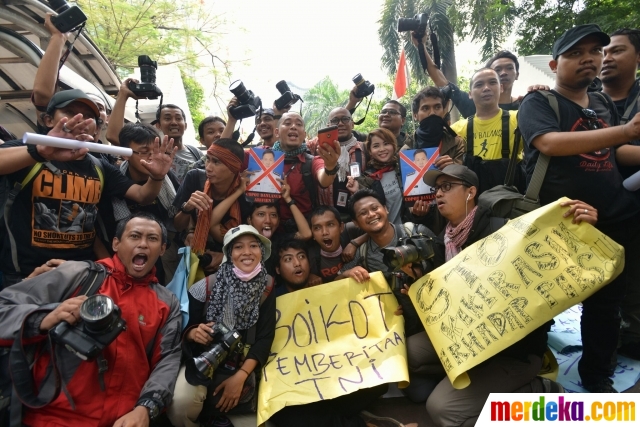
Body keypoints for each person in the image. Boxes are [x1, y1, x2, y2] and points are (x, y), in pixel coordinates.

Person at [518, 23, 640, 392]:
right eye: (574, 53)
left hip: (610, 219)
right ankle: (528, 369)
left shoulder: (602, 103)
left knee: (606, 306)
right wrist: (625, 131)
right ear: (554, 65)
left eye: (594, 52)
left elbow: (615, 151)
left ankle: (597, 376)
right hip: (561, 224)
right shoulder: (539, 103)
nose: (587, 59)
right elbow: (550, 144)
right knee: (541, 304)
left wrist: (625, 137)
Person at [404, 165, 566, 426]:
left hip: (511, 350)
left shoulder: (503, 232)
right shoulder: (441, 240)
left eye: (447, 187)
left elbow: (545, 280)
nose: (438, 194)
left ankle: (538, 392)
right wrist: (417, 287)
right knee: (407, 353)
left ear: (471, 192)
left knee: (442, 409)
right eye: (436, 189)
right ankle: (465, 381)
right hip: (463, 339)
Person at [0, 212, 182, 426]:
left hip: (124, 419)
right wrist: (42, 318)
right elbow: (5, 307)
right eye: (134, 236)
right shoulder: (78, 274)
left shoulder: (167, 303)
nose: (143, 244)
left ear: (162, 249)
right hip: (53, 417)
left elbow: (167, 359)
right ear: (116, 243)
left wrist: (146, 407)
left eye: (152, 239)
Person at [0, 89, 176, 287]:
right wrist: (41, 152)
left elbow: (142, 195)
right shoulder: (27, 151)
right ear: (48, 120)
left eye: (90, 116)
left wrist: (157, 176)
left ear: (96, 129)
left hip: (83, 274)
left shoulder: (100, 167)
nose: (80, 119)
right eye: (70, 112)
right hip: (26, 276)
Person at [269, 239, 399, 427]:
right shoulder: (272, 303)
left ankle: (337, 418)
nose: (297, 263)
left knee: (377, 382)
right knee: (288, 416)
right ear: (278, 270)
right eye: (288, 259)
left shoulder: (322, 288)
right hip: (296, 383)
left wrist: (389, 311)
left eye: (301, 257)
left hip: (329, 374)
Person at [167, 225, 276, 427]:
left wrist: (241, 377)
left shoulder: (267, 286)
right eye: (238, 247)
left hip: (241, 364)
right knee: (180, 405)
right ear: (228, 253)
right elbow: (184, 328)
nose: (247, 252)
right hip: (203, 361)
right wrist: (193, 333)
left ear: (262, 251)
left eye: (254, 245)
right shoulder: (205, 286)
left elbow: (265, 337)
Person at [338, 189, 436, 336]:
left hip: (438, 317)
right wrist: (347, 273)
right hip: (403, 331)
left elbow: (448, 266)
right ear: (356, 223)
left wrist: (420, 279)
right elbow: (335, 283)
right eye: (363, 213)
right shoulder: (363, 254)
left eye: (375, 208)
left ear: (386, 209)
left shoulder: (416, 232)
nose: (371, 214)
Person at [98, 123, 181, 285]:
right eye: (144, 152)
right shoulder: (114, 179)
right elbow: (103, 229)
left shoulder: (166, 175)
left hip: (161, 256)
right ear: (126, 154)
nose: (152, 157)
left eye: (155, 151)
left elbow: (178, 210)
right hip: (122, 260)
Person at [601, 28, 640, 358]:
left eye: (617, 51)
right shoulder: (587, 101)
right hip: (601, 206)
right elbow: (605, 152)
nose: (607, 57)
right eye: (605, 51)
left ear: (637, 57)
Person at [171, 138, 251, 274]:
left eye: (216, 162)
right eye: (208, 159)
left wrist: (226, 257)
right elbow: (177, 226)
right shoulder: (195, 178)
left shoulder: (246, 195)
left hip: (232, 263)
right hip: (193, 258)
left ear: (233, 167)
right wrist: (187, 208)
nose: (208, 167)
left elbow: (250, 240)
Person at [410, 30, 522, 118]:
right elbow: (441, 81)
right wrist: (421, 45)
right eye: (497, 70)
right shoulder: (473, 104)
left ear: (517, 75)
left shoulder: (525, 105)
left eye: (509, 68)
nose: (503, 73)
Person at [448, 68, 522, 194]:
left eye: (492, 82)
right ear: (470, 94)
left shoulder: (519, 118)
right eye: (479, 84)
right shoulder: (457, 129)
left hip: (512, 198)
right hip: (473, 200)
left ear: (501, 88)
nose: (486, 88)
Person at [316, 108, 368, 222]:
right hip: (327, 218)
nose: (340, 123)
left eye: (345, 119)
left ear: (352, 124)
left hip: (357, 218)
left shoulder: (365, 149)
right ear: (328, 125)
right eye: (335, 121)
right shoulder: (318, 149)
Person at [346, 128, 404, 225]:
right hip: (382, 232)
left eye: (386, 144)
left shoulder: (403, 168)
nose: (382, 149)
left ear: (394, 145)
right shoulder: (367, 178)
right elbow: (364, 207)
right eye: (376, 146)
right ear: (370, 150)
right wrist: (357, 191)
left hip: (407, 229)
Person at [308, 206, 346, 283]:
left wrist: (355, 243)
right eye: (317, 228)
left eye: (330, 224)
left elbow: (373, 229)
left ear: (341, 227)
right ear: (312, 234)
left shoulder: (349, 235)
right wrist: (308, 277)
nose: (325, 232)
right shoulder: (310, 258)